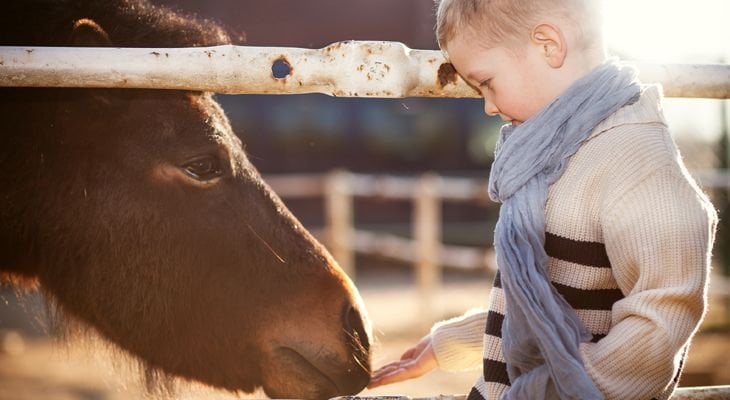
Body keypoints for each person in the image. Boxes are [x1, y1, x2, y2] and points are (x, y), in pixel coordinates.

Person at [368, 0, 718, 399]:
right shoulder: (557, 155)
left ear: (548, 45)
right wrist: (452, 342)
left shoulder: (635, 160)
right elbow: (551, 304)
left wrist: (560, 389)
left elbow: (663, 316)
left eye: (487, 82)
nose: (489, 105)